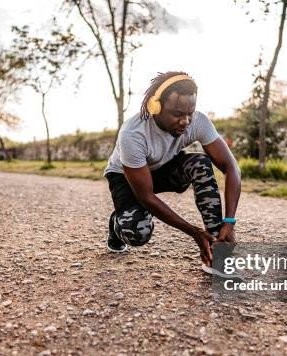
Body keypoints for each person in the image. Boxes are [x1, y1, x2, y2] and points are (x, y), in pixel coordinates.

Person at [103, 71, 241, 271]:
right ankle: (116, 225)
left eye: (189, 113)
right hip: (126, 176)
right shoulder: (132, 134)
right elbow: (146, 196)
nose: (185, 121)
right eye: (177, 114)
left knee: (200, 164)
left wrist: (229, 221)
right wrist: (194, 232)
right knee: (138, 232)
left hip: (164, 168)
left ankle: (217, 251)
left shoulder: (198, 122)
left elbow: (231, 167)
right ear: (155, 107)